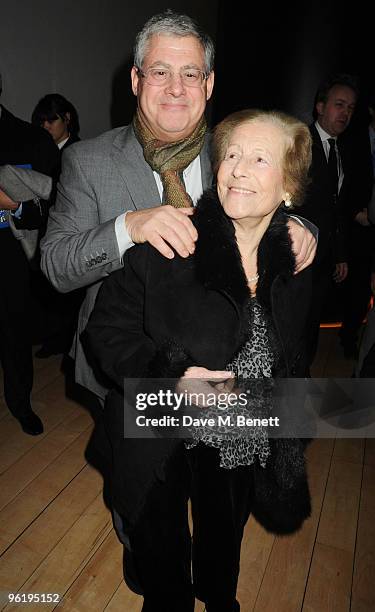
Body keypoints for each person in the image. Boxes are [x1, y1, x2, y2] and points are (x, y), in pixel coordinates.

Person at [84, 108, 313, 611]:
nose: (237, 168)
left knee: (224, 534)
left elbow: (296, 359)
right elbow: (104, 331)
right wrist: (172, 377)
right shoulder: (172, 242)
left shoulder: (296, 262)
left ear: (288, 187)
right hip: (161, 430)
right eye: (230, 155)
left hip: (239, 434)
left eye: (259, 158)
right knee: (162, 551)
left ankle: (218, 595)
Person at [40, 10, 317, 403]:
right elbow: (56, 268)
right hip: (127, 368)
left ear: (209, 84)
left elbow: (276, 199)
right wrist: (128, 227)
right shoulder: (88, 162)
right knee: (141, 462)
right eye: (159, 72)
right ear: (136, 80)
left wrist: (305, 229)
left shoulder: (232, 155)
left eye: (190, 74)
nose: (175, 88)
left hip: (224, 365)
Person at [0, 73, 59, 434]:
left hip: (9, 258)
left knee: (14, 333)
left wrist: (12, 205)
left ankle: (20, 403)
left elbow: (56, 206)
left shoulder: (31, 140)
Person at [298, 73, 368, 366]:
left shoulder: (341, 150)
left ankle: (301, 375)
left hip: (324, 259)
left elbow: (336, 207)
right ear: (320, 107)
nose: (346, 113)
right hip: (297, 256)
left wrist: (340, 254)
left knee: (311, 323)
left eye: (351, 108)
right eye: (340, 105)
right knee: (294, 324)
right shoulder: (299, 142)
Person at [31, 93, 83, 358]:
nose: (46, 126)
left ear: (67, 119)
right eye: (42, 121)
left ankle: (63, 340)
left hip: (74, 230)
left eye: (51, 120)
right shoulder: (43, 150)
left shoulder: (80, 152)